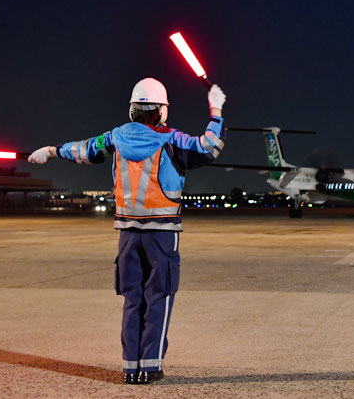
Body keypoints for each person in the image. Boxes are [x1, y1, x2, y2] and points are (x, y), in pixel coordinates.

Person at [28, 77, 226, 384]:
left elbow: (84, 150)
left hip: (127, 235)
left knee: (133, 300)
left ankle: (130, 369)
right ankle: (151, 367)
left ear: (132, 109)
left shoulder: (115, 137)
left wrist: (52, 151)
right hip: (162, 234)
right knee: (159, 297)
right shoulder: (171, 139)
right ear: (161, 111)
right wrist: (216, 110)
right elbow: (208, 147)